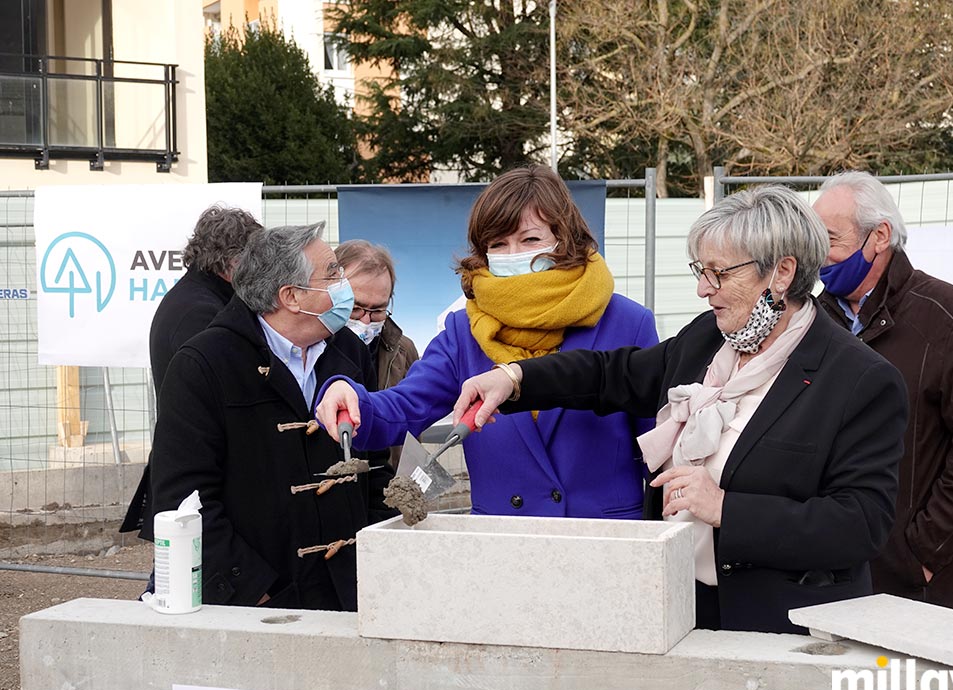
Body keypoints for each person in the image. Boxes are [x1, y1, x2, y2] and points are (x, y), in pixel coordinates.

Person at [448, 185, 908, 633]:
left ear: (781, 273)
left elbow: (860, 524)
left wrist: (727, 508)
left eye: (720, 274)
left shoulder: (860, 380)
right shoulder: (709, 339)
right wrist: (514, 379)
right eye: (700, 271)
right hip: (679, 609)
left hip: (778, 625)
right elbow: (613, 374)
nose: (703, 290)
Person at [316, 165, 659, 519]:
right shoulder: (463, 331)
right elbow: (403, 409)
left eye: (530, 240)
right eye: (498, 243)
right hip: (498, 546)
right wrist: (351, 399)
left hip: (607, 545)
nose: (513, 254)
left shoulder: (629, 323)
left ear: (565, 239)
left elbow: (659, 451)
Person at [145, 223, 394, 610]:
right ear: (291, 296)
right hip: (260, 605)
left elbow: (374, 462)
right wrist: (256, 591)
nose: (344, 283)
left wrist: (375, 554)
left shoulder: (348, 351)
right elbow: (185, 498)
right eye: (332, 272)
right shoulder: (205, 364)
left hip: (353, 591)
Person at [813, 171, 953, 616]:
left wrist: (921, 554)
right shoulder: (813, 323)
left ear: (879, 236)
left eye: (829, 239)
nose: (818, 256)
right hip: (831, 575)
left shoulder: (950, 317)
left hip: (925, 589)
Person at [120, 204, 262, 535]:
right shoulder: (202, 312)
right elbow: (224, 391)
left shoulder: (197, 299)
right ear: (233, 262)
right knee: (185, 576)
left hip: (194, 471)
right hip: (197, 477)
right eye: (255, 260)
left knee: (183, 575)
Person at [335, 240, 420, 469]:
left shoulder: (404, 350)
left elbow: (412, 435)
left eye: (377, 311)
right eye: (355, 308)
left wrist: (412, 488)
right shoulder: (311, 349)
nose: (365, 320)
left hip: (387, 483)